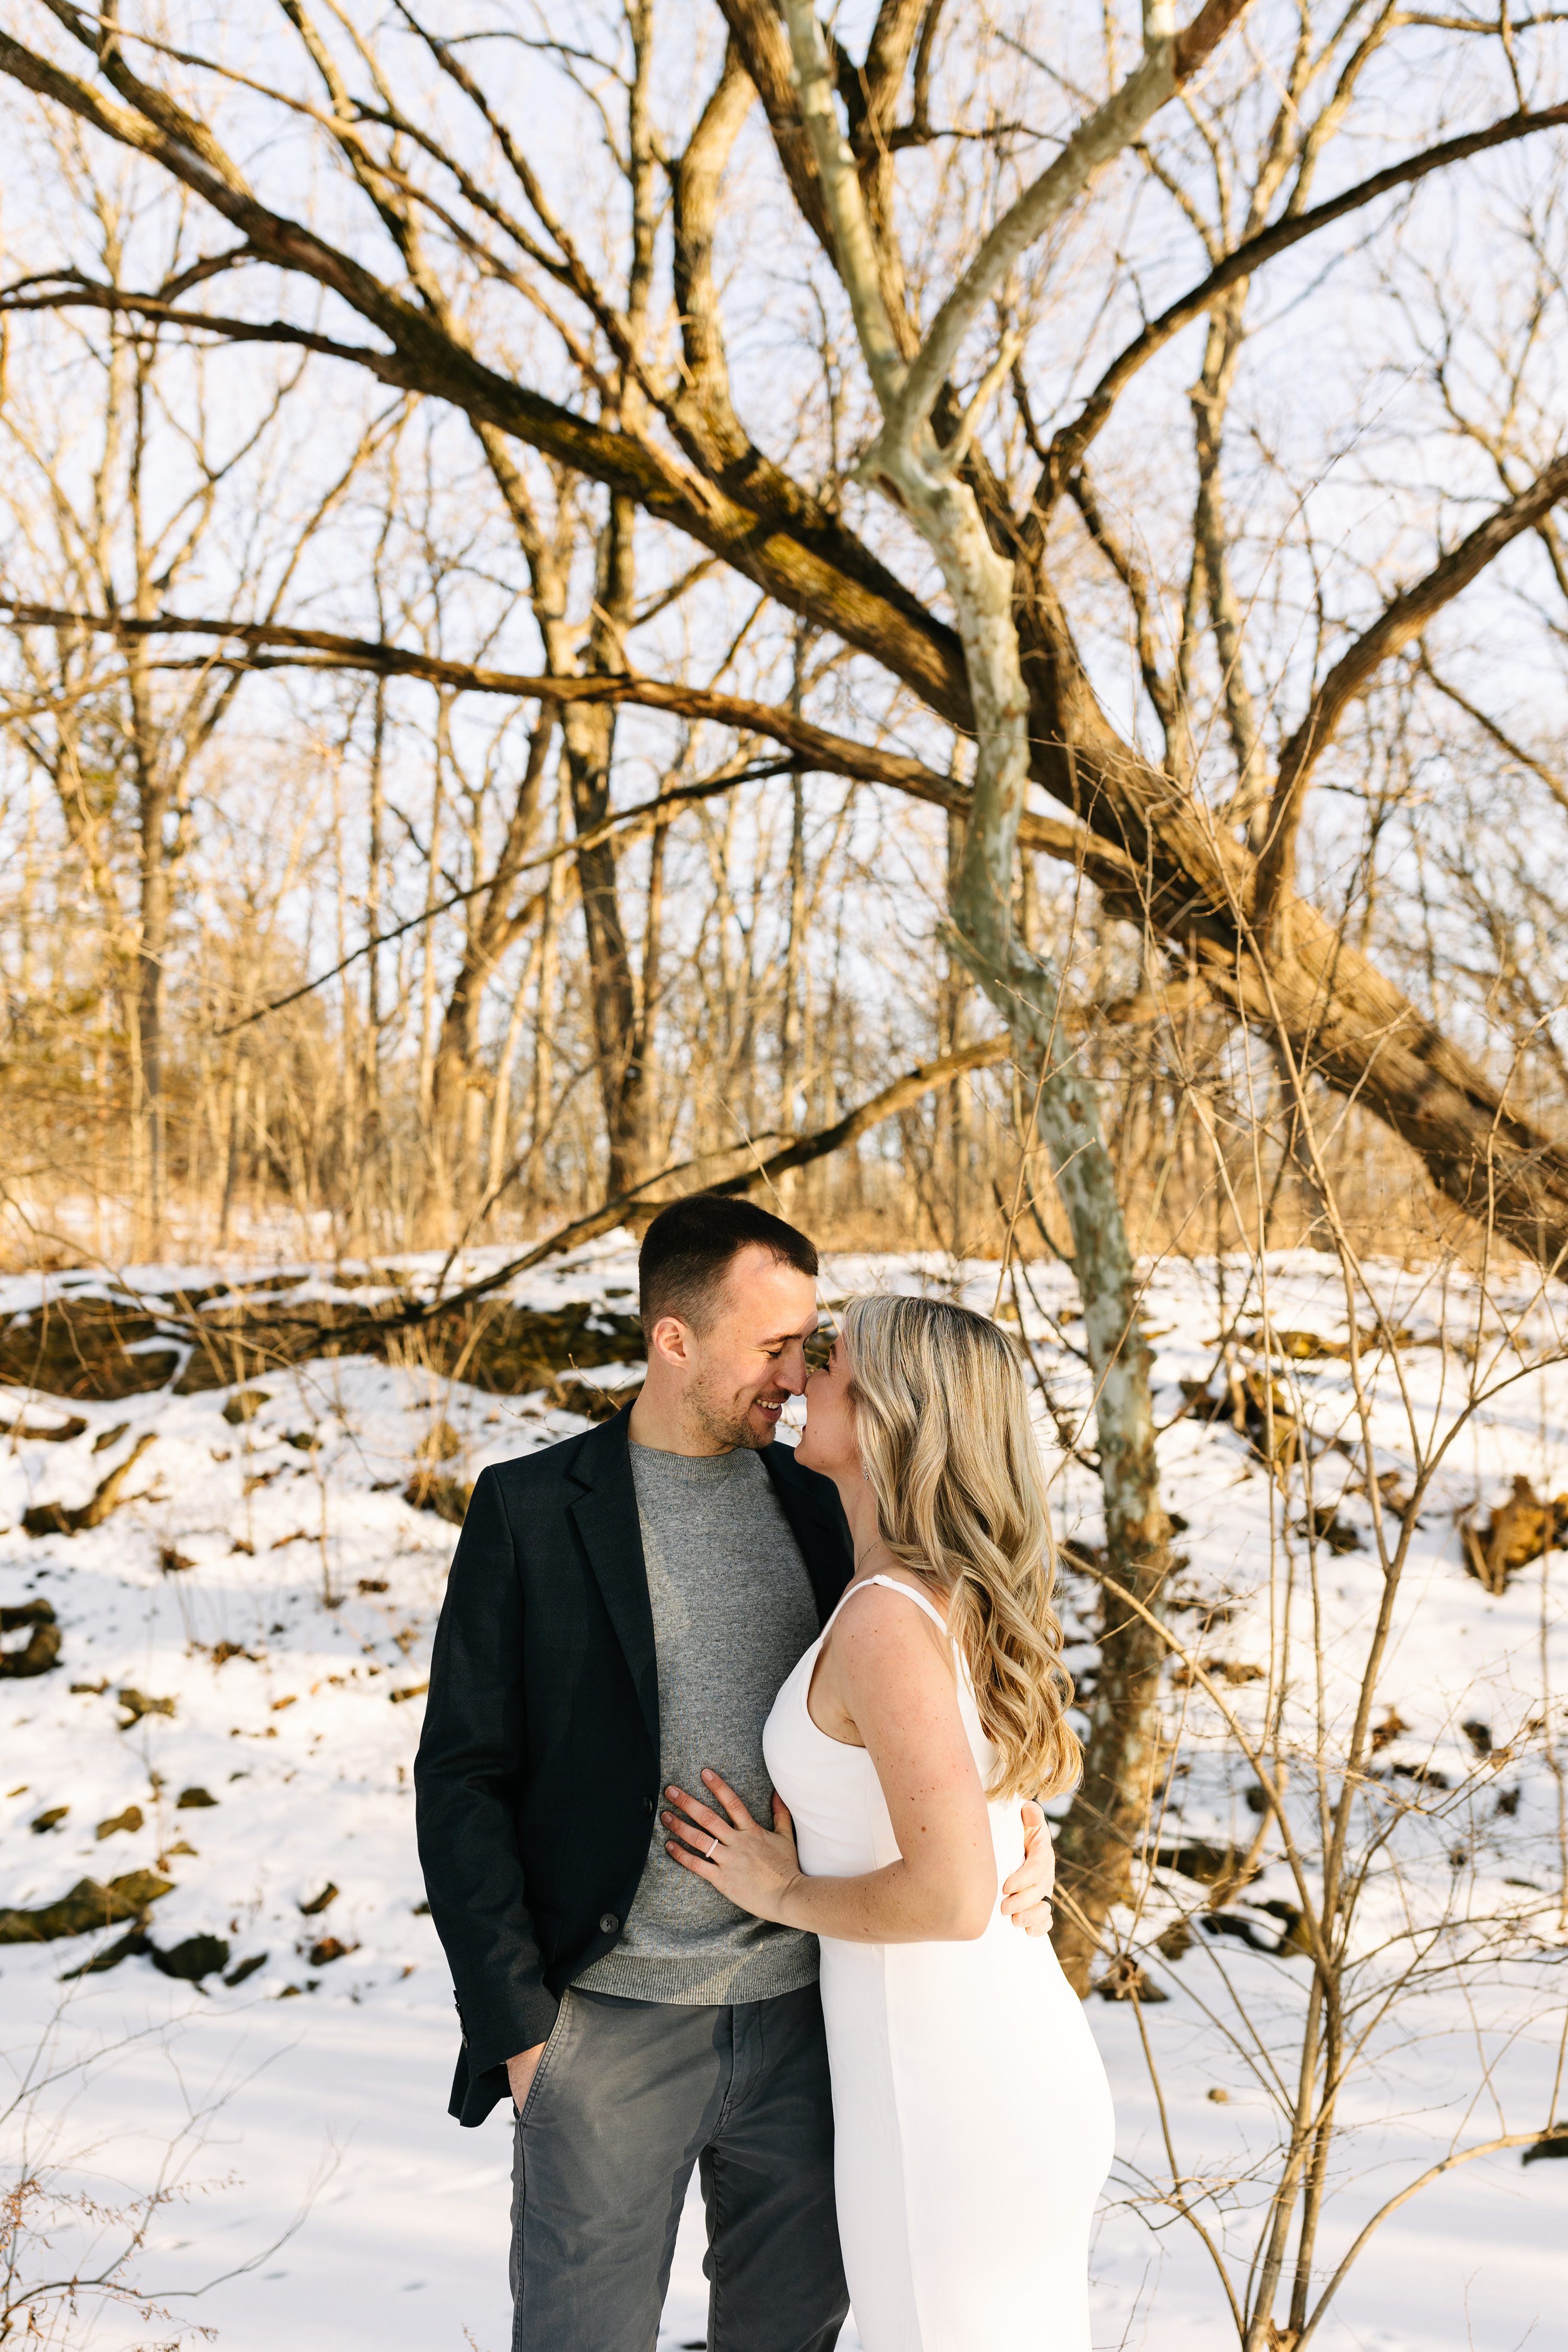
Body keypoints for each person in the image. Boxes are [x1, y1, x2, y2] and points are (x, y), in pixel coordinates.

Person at [414, 1195, 1059, 2352]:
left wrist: (1017, 1832)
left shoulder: (830, 1496)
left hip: (814, 2022)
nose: (799, 1375)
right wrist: (520, 2031)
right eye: (773, 1348)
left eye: (812, 1347)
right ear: (674, 1340)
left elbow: (942, 1689)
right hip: (608, 2029)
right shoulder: (530, 1513)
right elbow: (460, 1782)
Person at [664, 1292, 1116, 2352]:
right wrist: (1024, 1841)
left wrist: (780, 1890)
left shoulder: (888, 1620)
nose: (797, 1374)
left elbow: (954, 1897)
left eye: (826, 1361)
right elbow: (976, 1802)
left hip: (947, 2093)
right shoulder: (937, 1594)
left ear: (889, 1414)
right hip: (982, 2066)